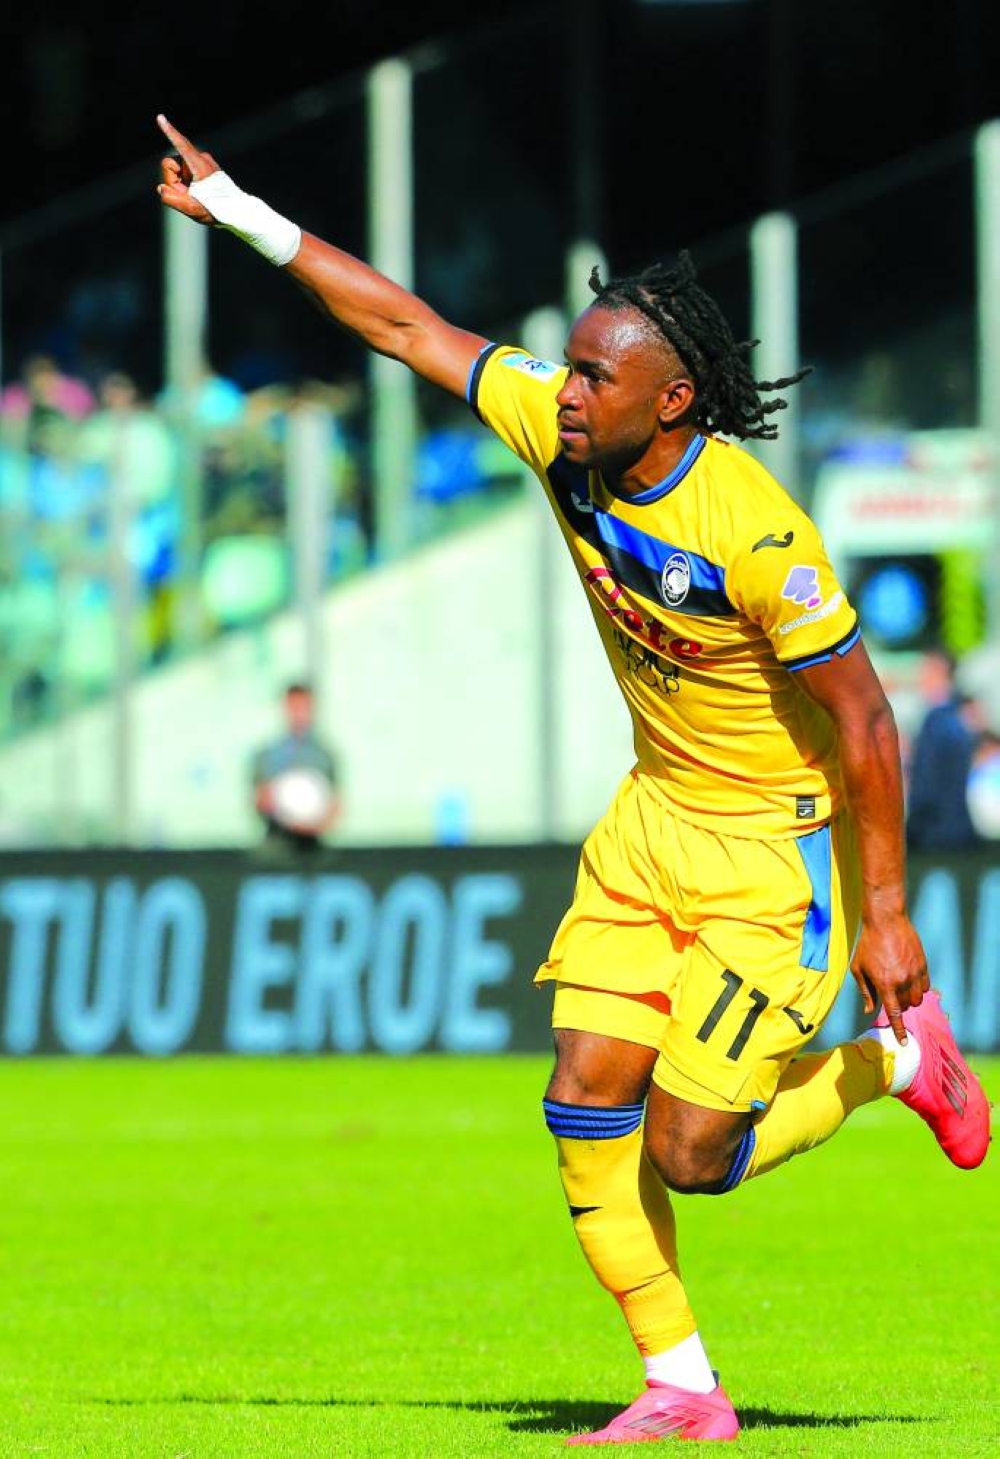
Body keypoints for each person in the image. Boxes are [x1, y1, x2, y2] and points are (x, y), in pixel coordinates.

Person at [156, 116, 990, 1445]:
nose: (567, 393)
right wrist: (244, 213)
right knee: (585, 1092)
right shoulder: (563, 428)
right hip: (650, 821)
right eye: (571, 368)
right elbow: (406, 326)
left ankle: (893, 1061)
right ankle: (682, 1385)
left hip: (771, 858)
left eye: (596, 376)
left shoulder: (755, 532)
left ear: (672, 401)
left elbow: (869, 722)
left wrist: (886, 914)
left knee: (690, 1154)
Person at [906, 647, 983, 852]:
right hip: (954, 829)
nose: (921, 677)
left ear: (940, 672)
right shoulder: (959, 715)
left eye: (926, 671)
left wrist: (914, 828)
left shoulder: (939, 720)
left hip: (937, 831)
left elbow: (928, 781)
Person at [251, 682, 341, 856]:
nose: (299, 713)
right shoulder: (266, 755)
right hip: (276, 843)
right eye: (294, 707)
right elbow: (259, 800)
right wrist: (282, 812)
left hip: (314, 846)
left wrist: (316, 824)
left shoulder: (325, 755)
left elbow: (335, 804)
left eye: (303, 707)